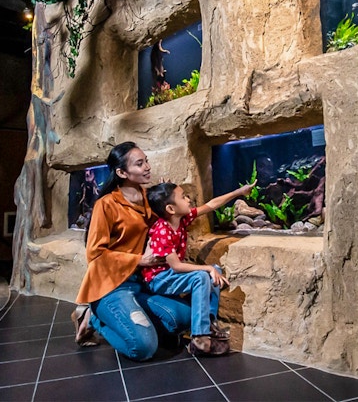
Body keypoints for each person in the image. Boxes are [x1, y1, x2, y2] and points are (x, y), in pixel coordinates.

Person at [72, 142, 193, 361]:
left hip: (142, 284)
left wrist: (169, 200)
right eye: (139, 163)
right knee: (144, 347)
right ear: (121, 172)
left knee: (185, 318)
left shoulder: (150, 199)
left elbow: (167, 225)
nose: (147, 166)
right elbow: (95, 254)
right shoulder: (106, 204)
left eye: (146, 160)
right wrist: (140, 260)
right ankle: (95, 319)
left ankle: (134, 318)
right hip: (111, 287)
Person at [143, 180, 256, 355]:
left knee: (216, 270)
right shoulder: (161, 231)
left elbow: (211, 205)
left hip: (170, 274)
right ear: (171, 209)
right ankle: (200, 339)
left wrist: (238, 192)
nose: (188, 199)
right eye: (183, 197)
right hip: (158, 279)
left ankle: (208, 322)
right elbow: (176, 266)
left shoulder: (182, 219)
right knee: (203, 275)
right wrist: (206, 269)